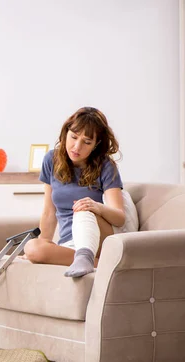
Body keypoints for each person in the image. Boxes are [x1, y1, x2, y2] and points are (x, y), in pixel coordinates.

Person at [23, 106, 126, 278]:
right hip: (68, 242)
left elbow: (119, 217)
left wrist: (96, 207)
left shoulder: (106, 166)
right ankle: (95, 262)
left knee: (83, 209)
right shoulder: (51, 160)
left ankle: (87, 256)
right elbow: (49, 212)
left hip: (98, 237)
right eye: (74, 137)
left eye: (87, 142)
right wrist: (45, 244)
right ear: (65, 133)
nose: (77, 147)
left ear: (96, 145)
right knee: (32, 247)